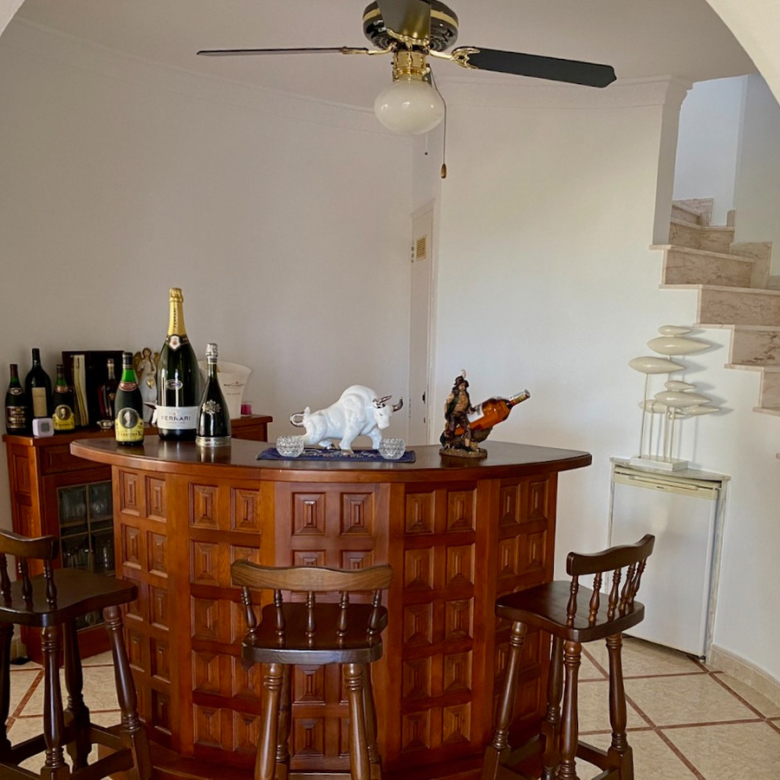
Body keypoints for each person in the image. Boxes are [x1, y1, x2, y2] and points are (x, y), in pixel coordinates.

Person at [441, 371, 475, 449]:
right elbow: (447, 403)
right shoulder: (453, 394)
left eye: (464, 385)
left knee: (468, 428)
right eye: (461, 385)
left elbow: (468, 403)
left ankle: (466, 446)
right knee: (451, 429)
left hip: (462, 414)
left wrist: (470, 410)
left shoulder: (466, 394)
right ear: (458, 386)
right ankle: (446, 442)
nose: (462, 387)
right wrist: (446, 412)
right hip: (454, 414)